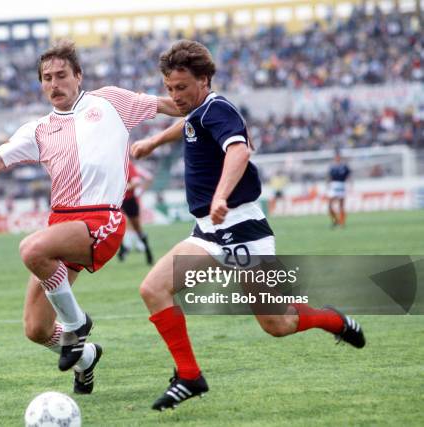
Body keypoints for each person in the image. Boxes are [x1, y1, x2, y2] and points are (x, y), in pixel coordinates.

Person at [0, 39, 181, 394]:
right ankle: (86, 356)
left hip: (102, 220)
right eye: (46, 78)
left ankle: (77, 324)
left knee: (31, 249)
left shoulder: (110, 101)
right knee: (36, 329)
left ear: (79, 76)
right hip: (61, 225)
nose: (53, 83)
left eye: (61, 75)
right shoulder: (38, 129)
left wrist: (207, 103)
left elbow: (172, 104)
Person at [131, 40, 366, 411]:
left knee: (278, 325)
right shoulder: (198, 111)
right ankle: (190, 375)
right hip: (208, 232)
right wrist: (154, 141)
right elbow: (188, 125)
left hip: (242, 230)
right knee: (153, 288)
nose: (174, 96)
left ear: (204, 80)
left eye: (181, 87)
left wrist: (221, 196)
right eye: (169, 88)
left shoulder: (219, 109)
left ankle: (330, 319)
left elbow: (239, 150)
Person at [117, 160, 154, 264]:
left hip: (129, 200)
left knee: (136, 227)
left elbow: (136, 182)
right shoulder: (111, 164)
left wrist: (122, 189)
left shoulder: (128, 165)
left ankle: (147, 250)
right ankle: (123, 248)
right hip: (116, 200)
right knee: (115, 225)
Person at [327, 152, 351, 228]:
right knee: (330, 205)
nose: (337, 158)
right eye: (336, 157)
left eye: (338, 157)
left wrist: (350, 185)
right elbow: (329, 177)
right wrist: (328, 185)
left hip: (341, 185)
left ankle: (342, 223)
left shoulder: (344, 167)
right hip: (334, 185)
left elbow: (348, 176)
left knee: (341, 205)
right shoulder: (332, 167)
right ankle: (335, 220)